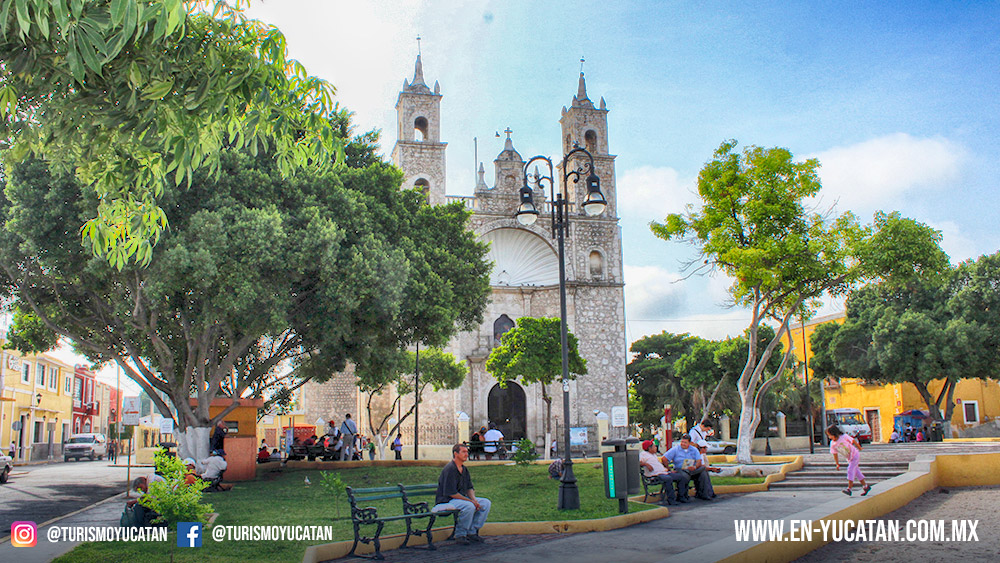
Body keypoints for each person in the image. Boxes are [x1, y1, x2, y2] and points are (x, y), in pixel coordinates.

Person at [432, 444, 492, 545]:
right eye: (463, 452)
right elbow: (452, 493)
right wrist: (471, 501)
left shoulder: (464, 469)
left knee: (485, 503)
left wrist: (474, 500)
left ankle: (472, 532)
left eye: (467, 452)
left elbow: (469, 488)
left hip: (461, 499)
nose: (466, 454)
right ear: (456, 454)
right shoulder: (450, 469)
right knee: (469, 506)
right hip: (447, 500)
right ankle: (460, 534)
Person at [663, 434, 712, 501]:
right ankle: (682, 496)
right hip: (680, 469)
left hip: (692, 469)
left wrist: (695, 467)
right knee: (685, 476)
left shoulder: (694, 450)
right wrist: (669, 468)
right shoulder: (675, 449)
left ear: (689, 443)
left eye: (685, 442)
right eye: (682, 442)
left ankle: (704, 494)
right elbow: (664, 458)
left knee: (703, 471)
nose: (683, 444)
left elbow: (699, 461)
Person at [639, 439, 689, 505]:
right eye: (654, 446)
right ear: (649, 448)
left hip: (664, 473)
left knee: (681, 477)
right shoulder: (643, 454)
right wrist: (646, 464)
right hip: (654, 475)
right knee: (668, 479)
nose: (656, 447)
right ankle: (671, 499)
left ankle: (681, 496)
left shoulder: (653, 455)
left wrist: (668, 470)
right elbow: (637, 462)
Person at [827, 425, 871, 496]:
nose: (829, 437)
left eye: (830, 435)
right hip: (849, 458)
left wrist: (859, 448)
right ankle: (865, 486)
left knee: (850, 470)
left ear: (834, 434)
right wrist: (837, 463)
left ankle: (849, 489)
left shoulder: (843, 437)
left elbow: (853, 440)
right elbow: (835, 454)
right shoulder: (832, 444)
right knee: (856, 472)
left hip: (855, 455)